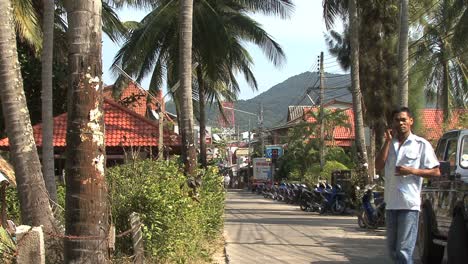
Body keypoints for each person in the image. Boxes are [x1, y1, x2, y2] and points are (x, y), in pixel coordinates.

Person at [375, 107, 440, 264]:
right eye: (397, 120)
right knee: (392, 251)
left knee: (404, 251)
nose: (400, 123)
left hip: (409, 205)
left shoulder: (420, 144)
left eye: (404, 119)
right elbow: (378, 166)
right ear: (393, 123)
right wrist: (387, 142)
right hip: (391, 204)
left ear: (411, 121)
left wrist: (412, 170)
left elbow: (436, 172)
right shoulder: (390, 144)